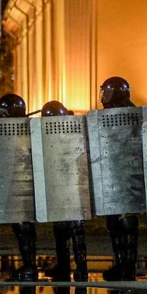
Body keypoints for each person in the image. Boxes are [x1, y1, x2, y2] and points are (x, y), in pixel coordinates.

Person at [96, 76, 142, 280]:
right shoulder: (117, 114)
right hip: (113, 173)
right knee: (114, 224)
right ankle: (121, 263)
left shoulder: (132, 114)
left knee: (125, 223)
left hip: (127, 174)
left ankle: (128, 265)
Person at [39, 100, 89, 282]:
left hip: (69, 186)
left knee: (68, 231)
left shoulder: (67, 132)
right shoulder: (76, 129)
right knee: (68, 231)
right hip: (70, 188)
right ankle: (75, 267)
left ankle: (73, 267)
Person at [0, 92, 39, 282]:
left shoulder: (23, 130)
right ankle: (28, 265)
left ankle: (29, 266)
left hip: (23, 186)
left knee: (24, 227)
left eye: (3, 113)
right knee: (21, 227)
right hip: (17, 184)